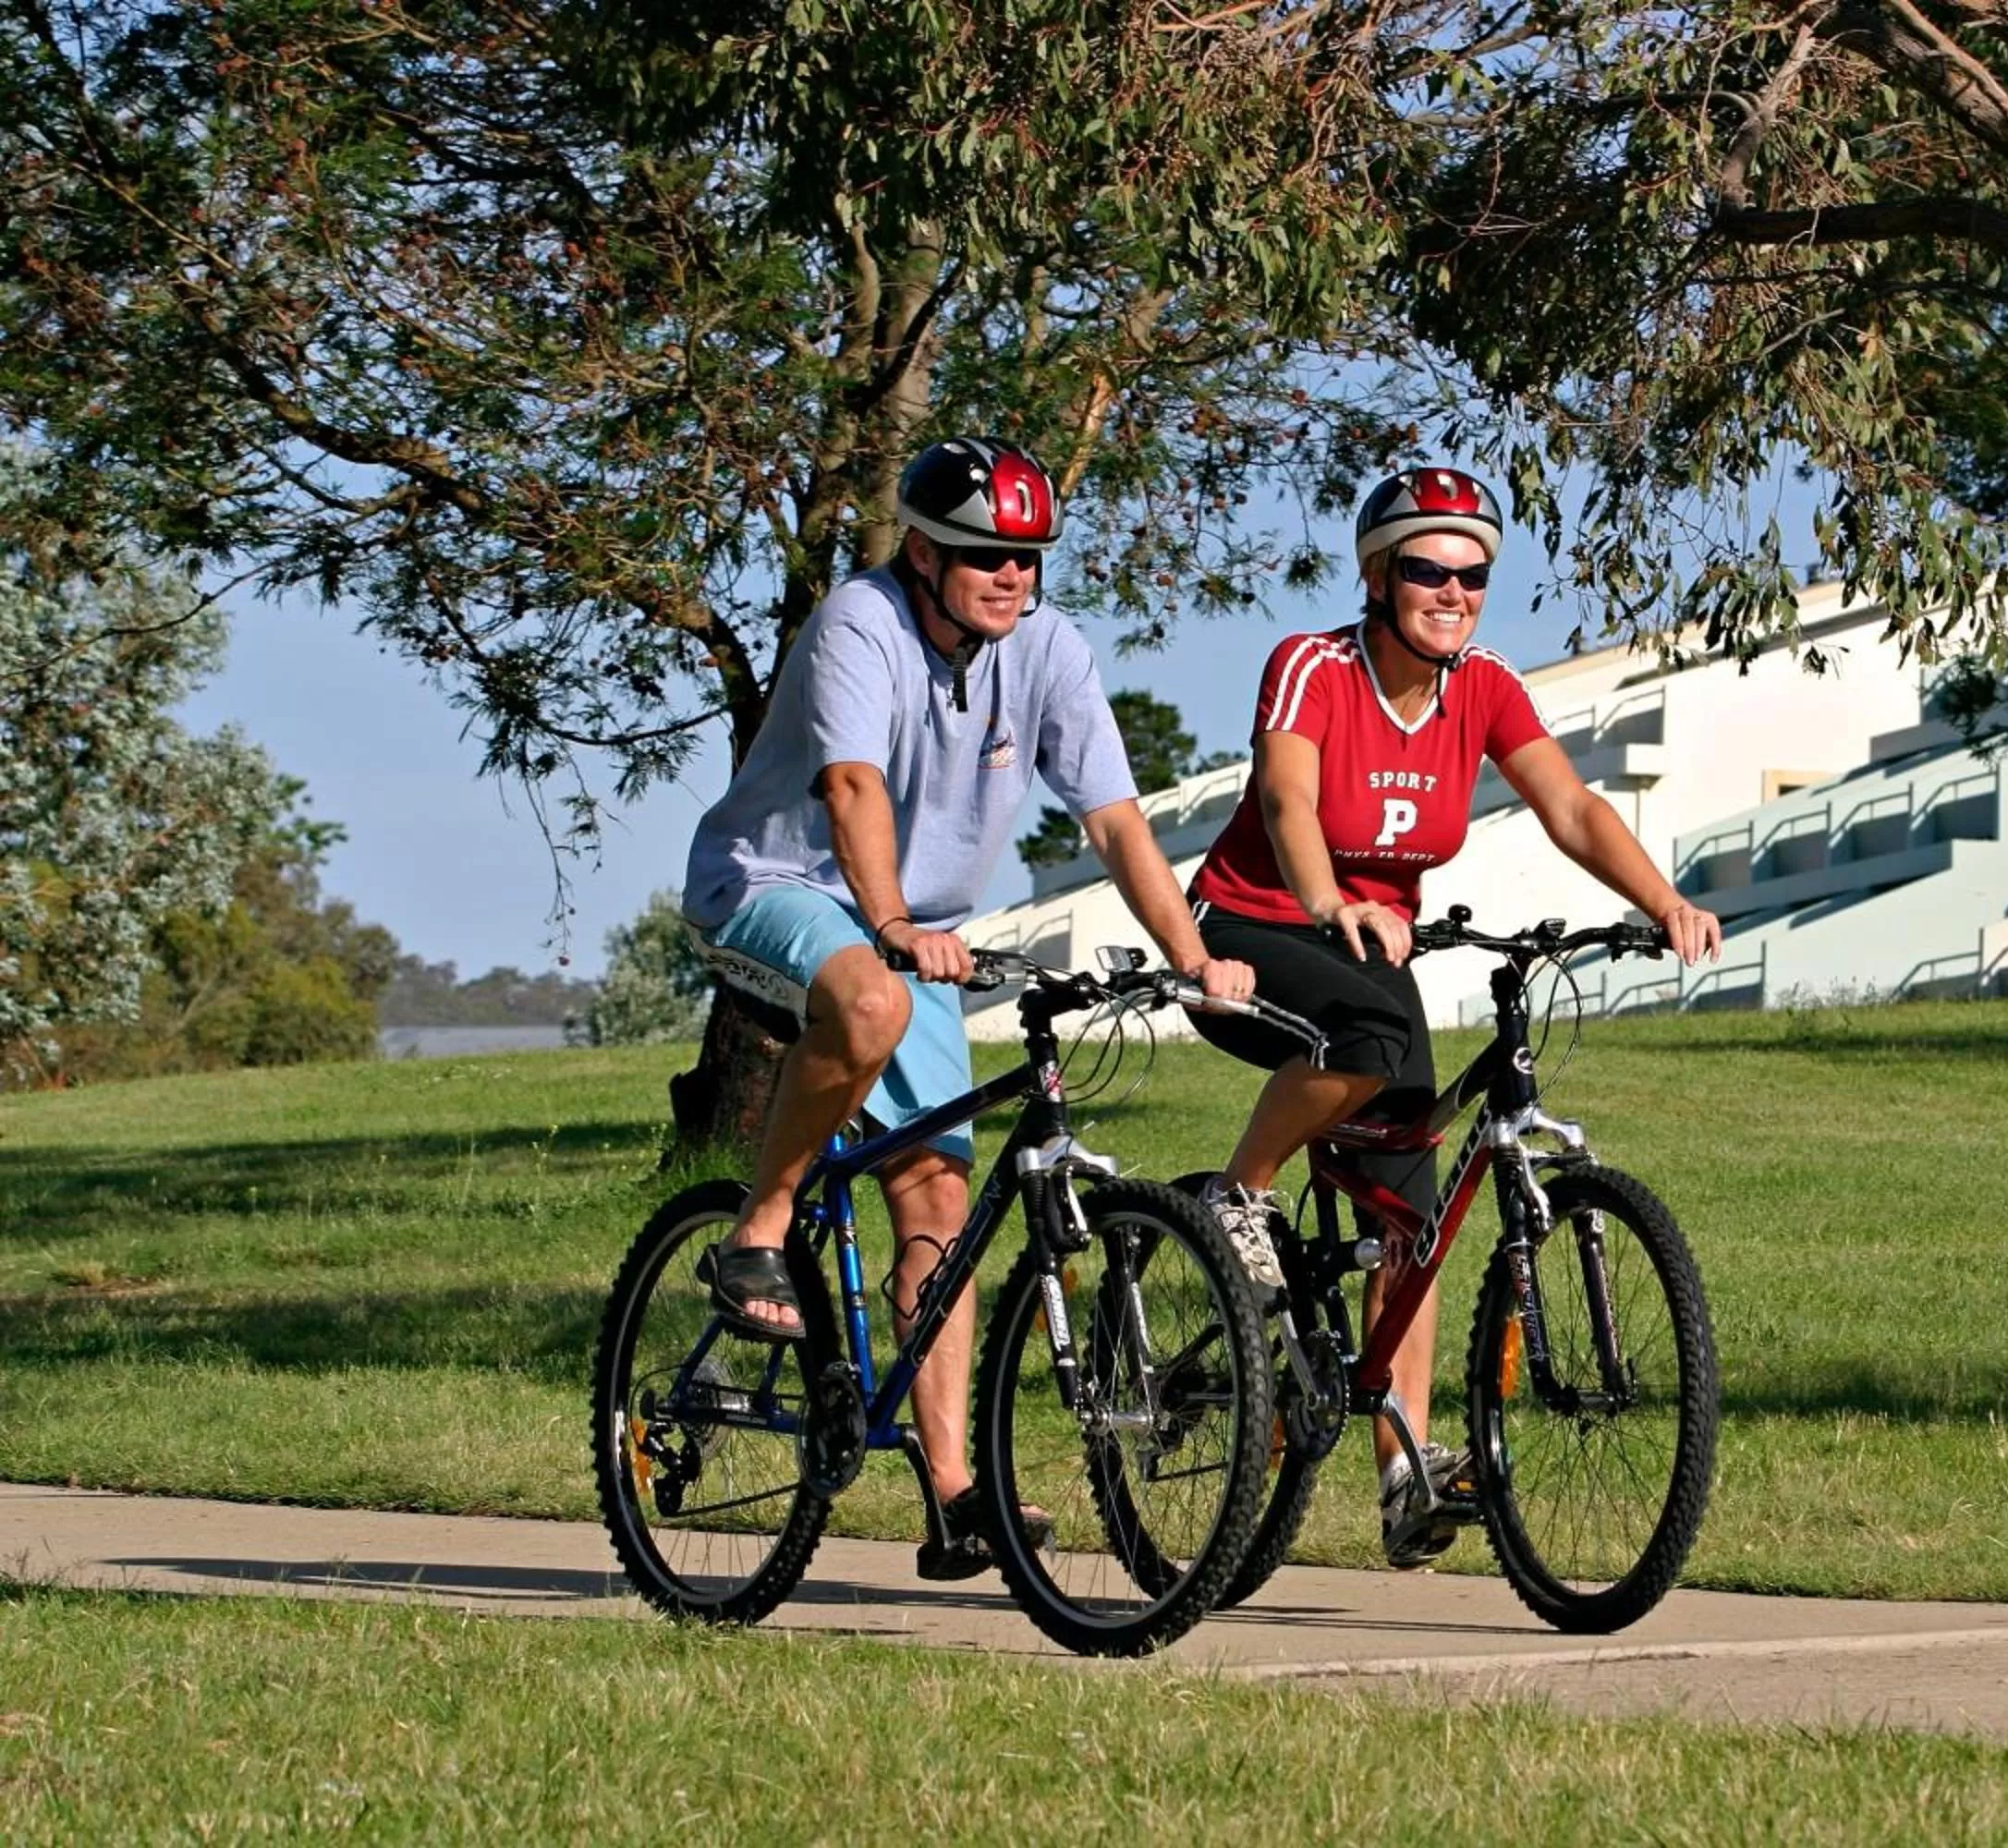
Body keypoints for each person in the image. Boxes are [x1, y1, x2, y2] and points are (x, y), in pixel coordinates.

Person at [680, 435, 1253, 1575]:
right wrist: (889, 925)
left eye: (1030, 559)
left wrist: (1191, 955)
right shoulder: (860, 621)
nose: (1012, 576)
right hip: (777, 885)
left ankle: (953, 1493)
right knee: (869, 1002)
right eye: (988, 555)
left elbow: (1115, 819)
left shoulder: (1044, 649)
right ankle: (759, 1227)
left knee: (939, 1201)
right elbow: (849, 784)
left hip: (913, 931)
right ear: (926, 552)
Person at [1180, 464, 1721, 1569]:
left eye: (1472, 575)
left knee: (1410, 1219)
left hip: (1367, 954)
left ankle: (1401, 1469)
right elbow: (1286, 799)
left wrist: (1660, 900)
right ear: (1379, 577)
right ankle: (1241, 1194)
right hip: (1249, 929)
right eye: (1427, 569)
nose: (1453, 592)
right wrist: (1329, 900)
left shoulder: (1482, 686)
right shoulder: (1313, 668)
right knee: (1376, 1042)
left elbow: (1568, 804)